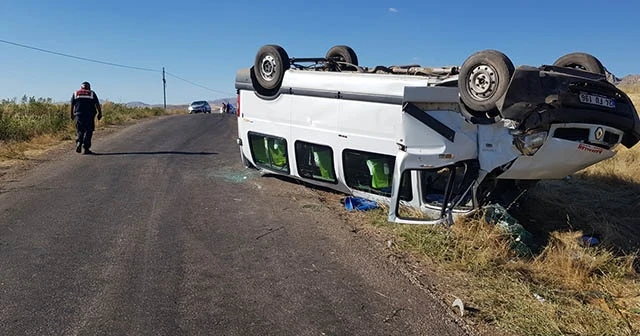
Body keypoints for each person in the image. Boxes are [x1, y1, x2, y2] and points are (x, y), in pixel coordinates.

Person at [70, 81, 102, 154]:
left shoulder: (75, 93)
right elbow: (97, 104)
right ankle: (86, 148)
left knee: (80, 130)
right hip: (89, 115)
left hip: (79, 115)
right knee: (89, 131)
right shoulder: (91, 93)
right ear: (89, 87)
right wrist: (100, 113)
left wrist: (71, 114)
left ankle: (79, 142)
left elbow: (72, 104)